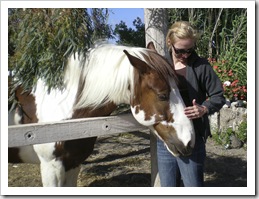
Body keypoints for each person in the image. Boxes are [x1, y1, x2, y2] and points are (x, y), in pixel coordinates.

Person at [156, 21, 226, 187]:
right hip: (166, 136)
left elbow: (218, 96)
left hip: (191, 136)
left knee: (192, 187)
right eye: (180, 51)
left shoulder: (202, 66)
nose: (185, 55)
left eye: (190, 50)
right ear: (169, 43)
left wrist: (204, 108)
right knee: (168, 187)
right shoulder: (160, 65)